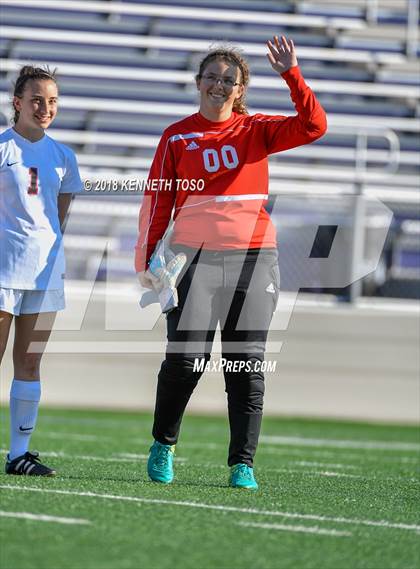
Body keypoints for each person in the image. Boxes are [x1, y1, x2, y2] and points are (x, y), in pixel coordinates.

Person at [135, 36, 327, 489]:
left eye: (229, 80)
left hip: (255, 258)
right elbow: (158, 202)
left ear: (240, 89)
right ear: (198, 82)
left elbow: (315, 125)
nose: (219, 85)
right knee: (186, 361)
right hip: (192, 259)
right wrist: (147, 260)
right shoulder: (176, 136)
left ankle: (243, 463)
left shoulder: (257, 129)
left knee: (246, 364)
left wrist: (291, 75)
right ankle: (164, 443)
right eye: (212, 77)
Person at [0, 65, 83, 476]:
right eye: (36, 99)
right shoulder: (2, 148)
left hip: (44, 274)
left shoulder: (64, 157)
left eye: (52, 100)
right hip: (1, 273)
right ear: (17, 103)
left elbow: (57, 217)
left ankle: (18, 455)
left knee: (29, 366)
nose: (45, 107)